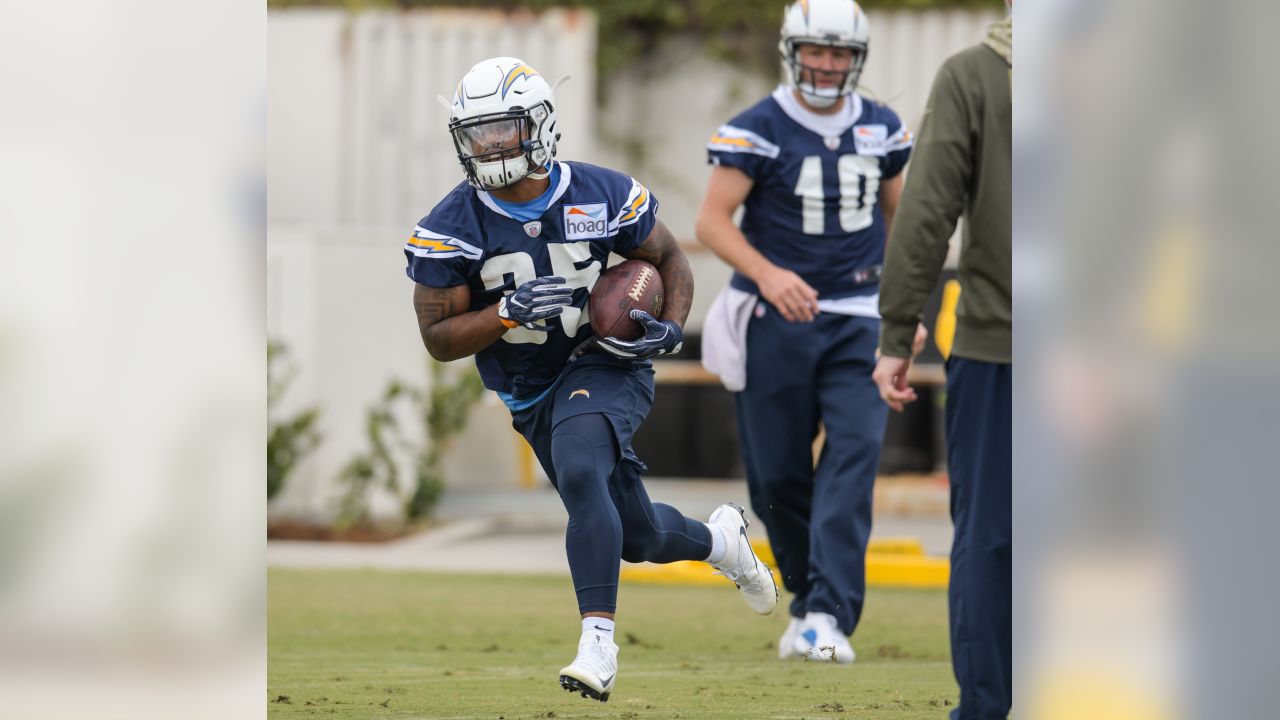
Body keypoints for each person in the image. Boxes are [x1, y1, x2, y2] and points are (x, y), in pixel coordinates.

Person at [405, 56, 778, 703]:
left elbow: (668, 260)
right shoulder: (449, 228)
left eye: (503, 130)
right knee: (635, 534)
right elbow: (438, 339)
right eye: (478, 134)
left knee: (581, 470)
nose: (490, 147)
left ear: (541, 127)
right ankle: (724, 542)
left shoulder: (599, 193)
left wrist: (670, 322)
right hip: (529, 390)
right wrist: (502, 313)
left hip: (606, 361)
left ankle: (597, 645)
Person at [696, 0, 920, 664]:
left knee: (853, 460)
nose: (827, 64)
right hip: (777, 319)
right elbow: (712, 221)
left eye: (839, 53)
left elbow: (908, 225)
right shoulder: (758, 127)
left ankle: (828, 613)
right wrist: (769, 275)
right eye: (816, 51)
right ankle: (807, 597)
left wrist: (905, 316)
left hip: (858, 318)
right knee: (776, 480)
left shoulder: (882, 128)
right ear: (793, 52)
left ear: (857, 59)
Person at [872, 11, 1012, 720]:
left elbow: (926, 211)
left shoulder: (974, 75)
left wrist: (898, 330)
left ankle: (988, 708)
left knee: (990, 537)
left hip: (1002, 347)